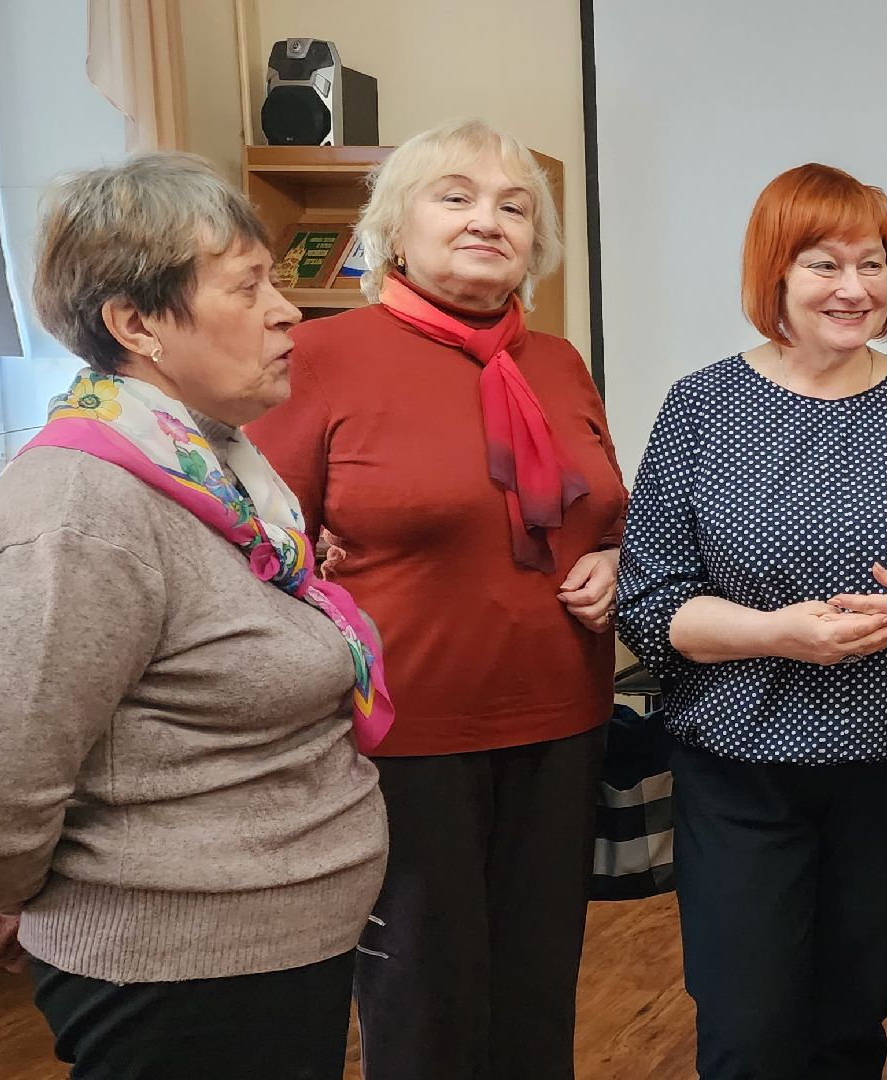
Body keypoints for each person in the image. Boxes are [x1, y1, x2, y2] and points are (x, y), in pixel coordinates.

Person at [0, 151, 390, 1078]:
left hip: (268, 949)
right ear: (136, 324)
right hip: (182, 975)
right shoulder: (79, 511)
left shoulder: (211, 469)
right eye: (250, 286)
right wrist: (29, 889)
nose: (288, 309)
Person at [249, 118, 629, 1079]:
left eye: (513, 206)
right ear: (394, 226)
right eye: (454, 196)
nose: (486, 220)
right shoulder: (321, 355)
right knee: (425, 1005)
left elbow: (605, 512)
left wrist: (620, 560)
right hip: (403, 736)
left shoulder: (559, 362)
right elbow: (255, 547)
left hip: (561, 719)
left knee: (537, 998)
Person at [615, 162, 887, 1079]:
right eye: (823, 265)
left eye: (871, 265)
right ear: (774, 276)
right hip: (742, 766)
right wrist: (773, 634)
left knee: (851, 1020)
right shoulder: (702, 406)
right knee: (749, 1032)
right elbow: (650, 600)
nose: (853, 288)